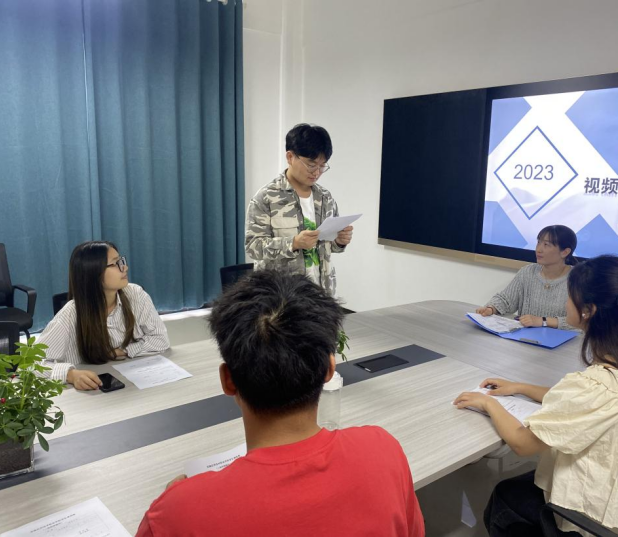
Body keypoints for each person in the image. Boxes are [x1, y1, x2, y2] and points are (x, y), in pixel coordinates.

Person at [136, 271, 424, 537]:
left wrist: (176, 503)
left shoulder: (176, 515)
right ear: (329, 369)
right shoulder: (384, 450)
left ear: (227, 380)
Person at [455, 255, 618, 537]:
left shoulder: (595, 384)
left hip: (603, 524)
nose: (565, 303)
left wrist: (487, 402)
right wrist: (520, 387)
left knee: (505, 497)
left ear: (588, 311)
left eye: (569, 296)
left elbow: (522, 443)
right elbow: (582, 403)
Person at [38, 241, 170, 390]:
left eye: (121, 261)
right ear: (93, 273)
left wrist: (122, 351)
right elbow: (31, 365)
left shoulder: (135, 294)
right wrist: (71, 375)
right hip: (89, 392)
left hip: (129, 382)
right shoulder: (71, 313)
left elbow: (161, 340)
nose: (125, 267)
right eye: (115, 264)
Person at [245, 123, 353, 296]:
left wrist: (340, 241)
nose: (316, 172)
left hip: (321, 293)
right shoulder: (266, 197)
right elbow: (253, 247)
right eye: (311, 164)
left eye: (322, 166)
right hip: (281, 296)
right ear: (290, 157)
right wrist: (294, 243)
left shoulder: (325, 198)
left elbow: (329, 247)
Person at [476, 225, 578, 330]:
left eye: (546, 245)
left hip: (562, 339)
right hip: (525, 336)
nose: (538, 249)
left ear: (565, 252)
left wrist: (543, 321)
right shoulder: (528, 271)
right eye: (538, 242)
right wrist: (491, 308)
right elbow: (506, 299)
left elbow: (582, 322)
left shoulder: (578, 279)